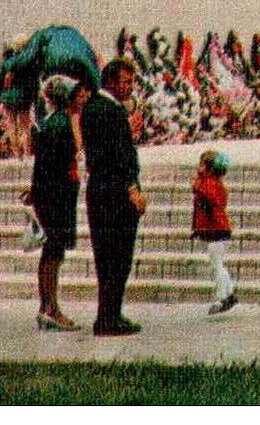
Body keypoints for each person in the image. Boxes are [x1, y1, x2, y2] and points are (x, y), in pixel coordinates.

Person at [83, 56, 147, 337]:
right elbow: (117, 156)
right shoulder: (110, 111)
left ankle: (109, 314)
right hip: (115, 194)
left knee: (107, 258)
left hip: (100, 191)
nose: (130, 87)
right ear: (110, 81)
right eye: (126, 81)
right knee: (117, 258)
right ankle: (109, 318)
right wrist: (132, 188)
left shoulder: (93, 107)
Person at [26, 73, 88, 331]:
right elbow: (53, 164)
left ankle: (47, 307)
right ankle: (50, 308)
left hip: (52, 195)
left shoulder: (52, 122)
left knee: (51, 254)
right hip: (57, 198)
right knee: (54, 253)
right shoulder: (61, 125)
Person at [0, 25, 103, 158]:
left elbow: (27, 57)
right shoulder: (75, 34)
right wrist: (97, 88)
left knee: (48, 110)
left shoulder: (42, 34)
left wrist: (10, 66)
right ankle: (79, 150)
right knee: (75, 112)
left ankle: (50, 148)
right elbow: (90, 57)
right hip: (80, 68)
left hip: (55, 66)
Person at [192, 149, 238, 315]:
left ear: (208, 168)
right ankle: (229, 293)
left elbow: (204, 194)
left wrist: (198, 181)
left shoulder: (209, 185)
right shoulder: (215, 184)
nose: (198, 167)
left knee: (216, 265)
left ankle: (221, 297)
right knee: (218, 264)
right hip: (219, 230)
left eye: (201, 164)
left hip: (217, 230)